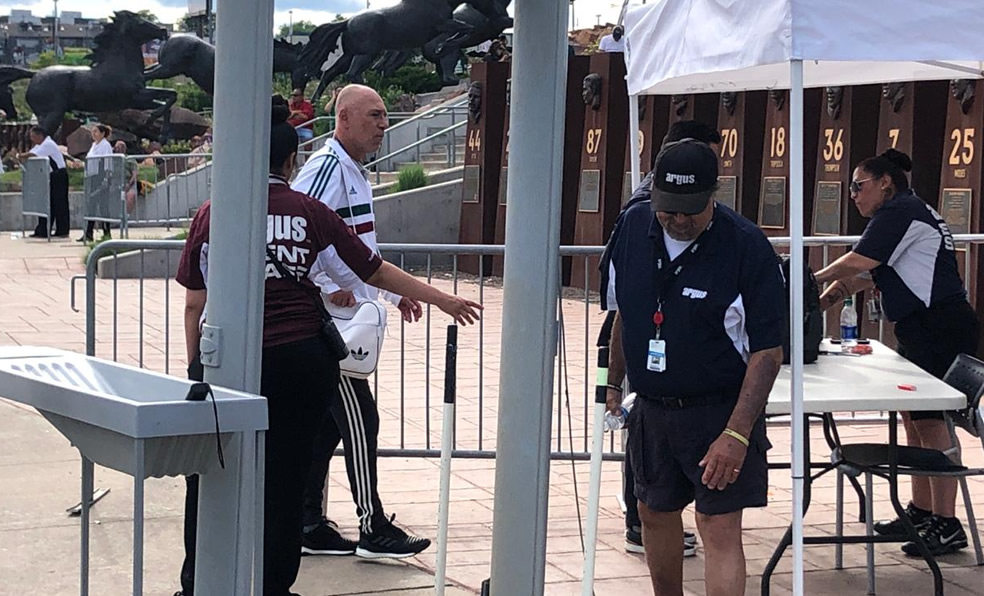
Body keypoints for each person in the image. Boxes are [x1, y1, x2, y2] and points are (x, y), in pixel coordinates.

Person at [173, 97, 481, 596]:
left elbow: (194, 304)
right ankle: (275, 584)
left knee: (208, 475)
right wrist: (441, 298)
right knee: (287, 476)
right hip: (301, 359)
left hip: (231, 363)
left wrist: (196, 369)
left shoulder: (213, 213)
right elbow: (373, 268)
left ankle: (197, 583)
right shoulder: (308, 210)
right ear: (290, 163)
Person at [604, 138, 784, 595]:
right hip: (652, 406)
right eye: (669, 209)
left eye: (691, 210)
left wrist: (738, 433)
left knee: (717, 524)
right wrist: (612, 381)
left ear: (713, 194)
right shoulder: (632, 227)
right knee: (654, 513)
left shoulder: (746, 246)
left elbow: (768, 351)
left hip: (718, 409)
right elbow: (626, 310)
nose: (680, 220)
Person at [290, 83, 431, 559]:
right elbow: (294, 230)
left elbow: (358, 249)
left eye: (386, 116)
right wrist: (323, 287)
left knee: (329, 427)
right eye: (375, 115)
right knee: (360, 418)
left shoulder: (351, 171)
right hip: (331, 322)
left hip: (347, 318)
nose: (384, 125)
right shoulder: (326, 169)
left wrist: (390, 292)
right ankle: (372, 525)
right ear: (344, 118)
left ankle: (306, 520)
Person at [815, 149, 980, 557]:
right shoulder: (898, 217)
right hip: (921, 327)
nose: (853, 194)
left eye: (858, 185)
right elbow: (863, 276)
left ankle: (946, 522)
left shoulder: (900, 212)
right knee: (913, 417)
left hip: (939, 326)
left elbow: (855, 261)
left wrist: (801, 279)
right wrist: (817, 301)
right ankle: (921, 510)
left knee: (934, 421)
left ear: (885, 183)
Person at [598, 120, 722, 559]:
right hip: (639, 332)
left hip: (675, 342)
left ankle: (651, 514)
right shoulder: (641, 213)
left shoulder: (725, 230)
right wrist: (613, 379)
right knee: (643, 439)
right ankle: (640, 519)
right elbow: (622, 303)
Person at [17, 126, 69, 238]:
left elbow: (32, 155)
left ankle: (62, 230)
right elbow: (30, 154)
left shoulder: (48, 144)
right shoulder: (39, 146)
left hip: (58, 175)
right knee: (48, 203)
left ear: (40, 135)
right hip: (49, 176)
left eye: (33, 136)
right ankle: (43, 229)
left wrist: (19, 155)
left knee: (59, 203)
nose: (32, 139)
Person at [78, 124, 114, 242]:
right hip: (93, 177)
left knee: (104, 207)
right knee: (91, 206)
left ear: (103, 133)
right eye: (92, 132)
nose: (93, 134)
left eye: (96, 132)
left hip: (101, 177)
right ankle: (88, 233)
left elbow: (108, 162)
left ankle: (106, 233)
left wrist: (106, 178)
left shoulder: (105, 145)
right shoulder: (94, 145)